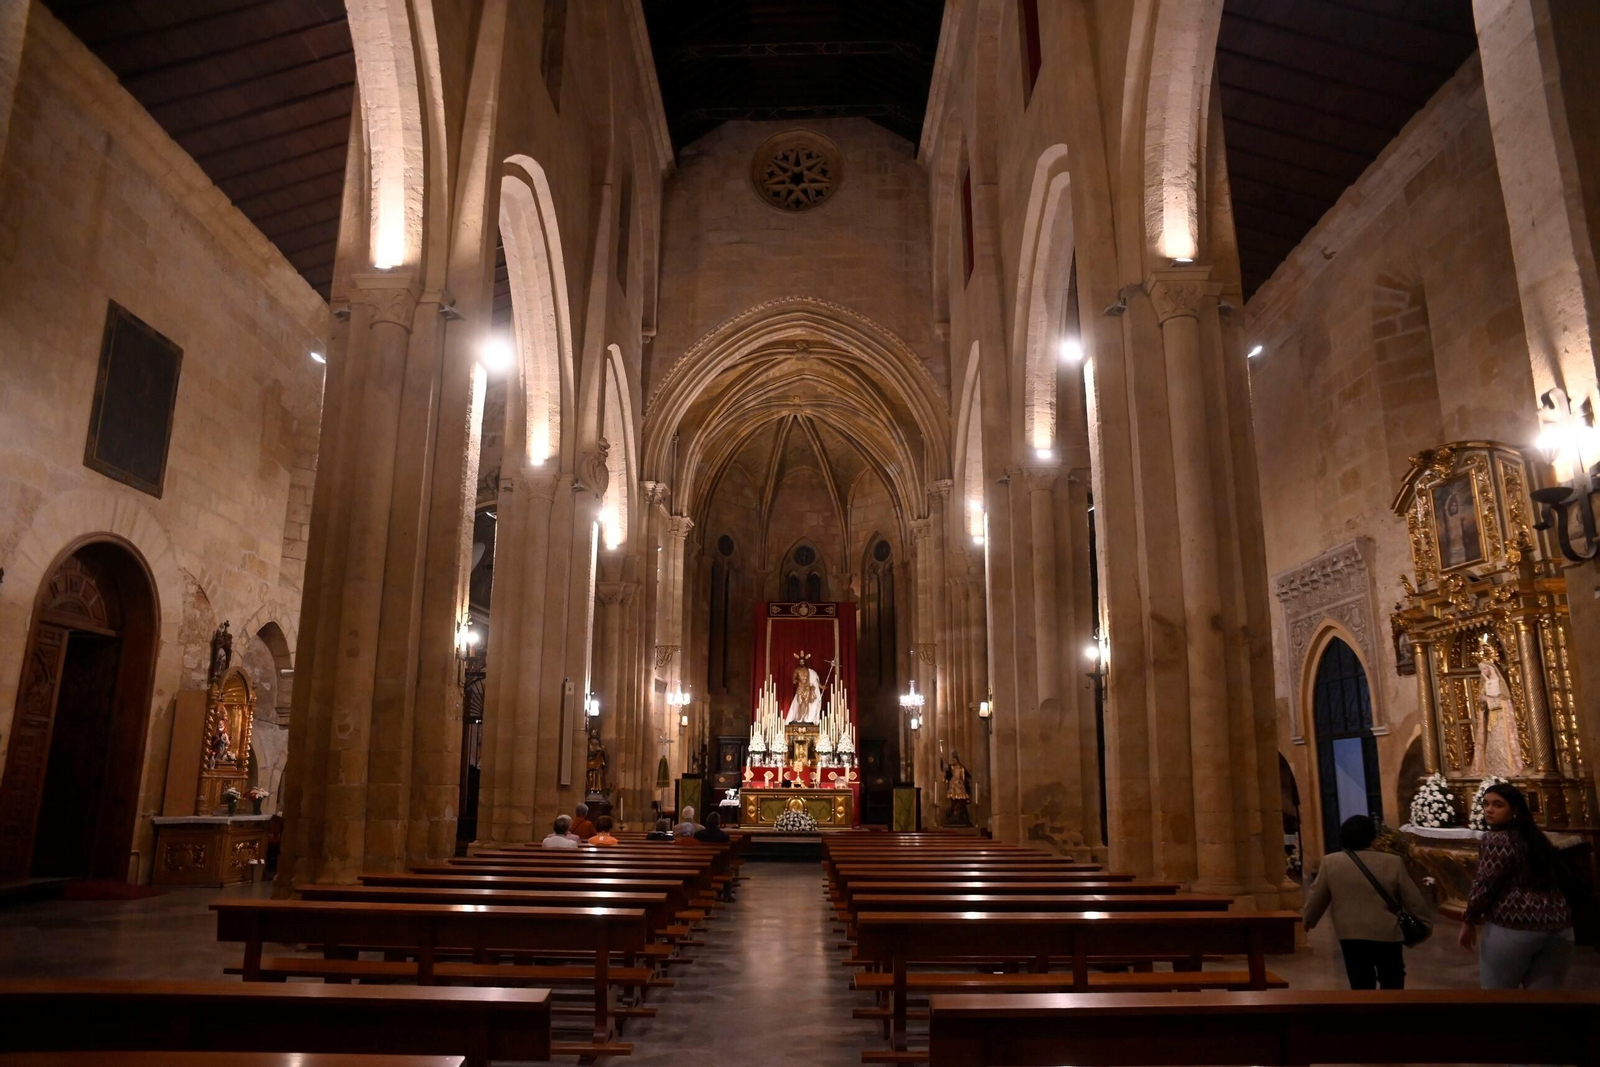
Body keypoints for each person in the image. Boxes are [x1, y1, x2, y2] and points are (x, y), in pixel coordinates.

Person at [1460, 782, 1575, 990]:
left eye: (1498, 805)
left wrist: (1469, 921)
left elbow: (1485, 884)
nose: (1489, 809)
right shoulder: (1535, 837)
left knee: (1498, 997)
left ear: (1514, 810)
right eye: (1486, 804)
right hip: (1559, 926)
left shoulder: (1496, 840)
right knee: (1546, 1000)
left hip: (1515, 925)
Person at [1303, 814, 1431, 989]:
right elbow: (1412, 897)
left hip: (1350, 934)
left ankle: (1365, 1007)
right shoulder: (1393, 862)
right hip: (1387, 932)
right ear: (1372, 838)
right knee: (1392, 981)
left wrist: (1309, 920)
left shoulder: (1330, 862)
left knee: (1360, 983)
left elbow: (1317, 896)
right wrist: (1424, 922)